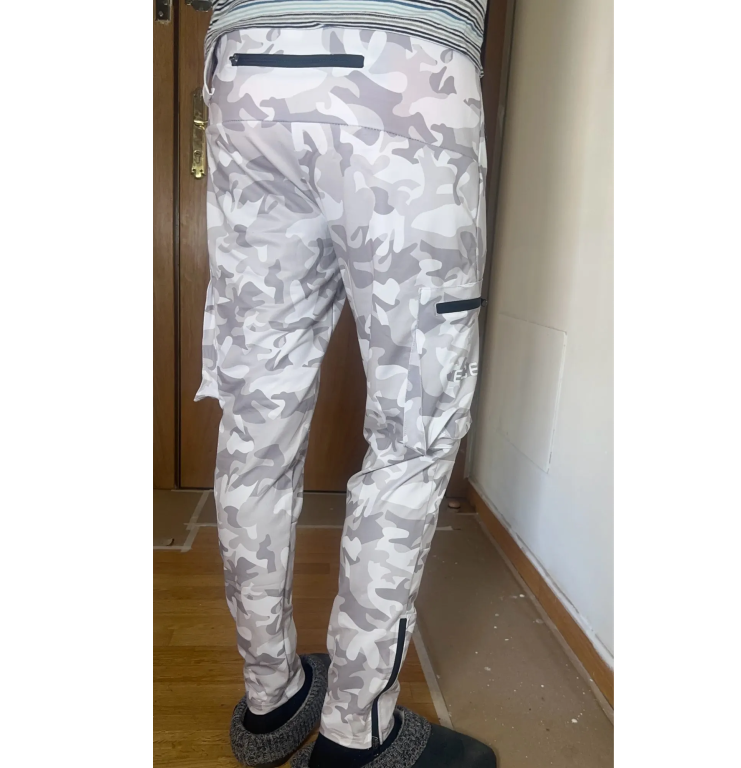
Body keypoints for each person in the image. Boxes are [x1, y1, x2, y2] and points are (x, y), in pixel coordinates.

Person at [196, 2, 495, 766]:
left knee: (257, 417)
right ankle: (358, 734)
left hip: (250, 70)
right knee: (413, 431)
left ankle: (271, 696)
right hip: (407, 64)